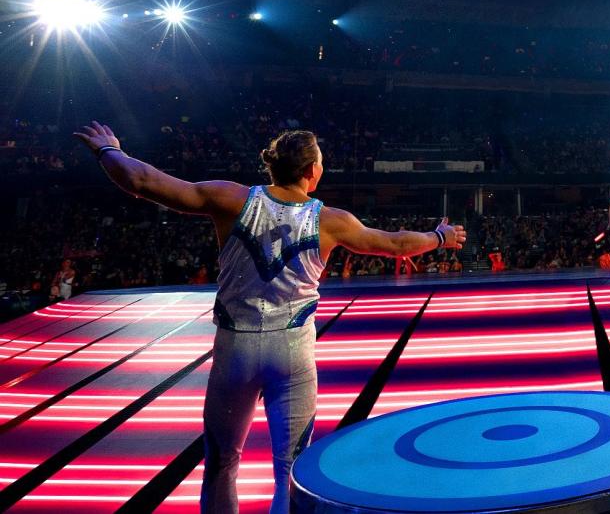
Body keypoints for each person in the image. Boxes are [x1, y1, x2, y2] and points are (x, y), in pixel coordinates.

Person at [72, 122, 466, 514]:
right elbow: (395, 245)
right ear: (311, 170)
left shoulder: (232, 198)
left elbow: (141, 180)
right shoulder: (330, 220)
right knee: (291, 469)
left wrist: (109, 150)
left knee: (222, 464)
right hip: (292, 352)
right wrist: (440, 237)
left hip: (235, 351)